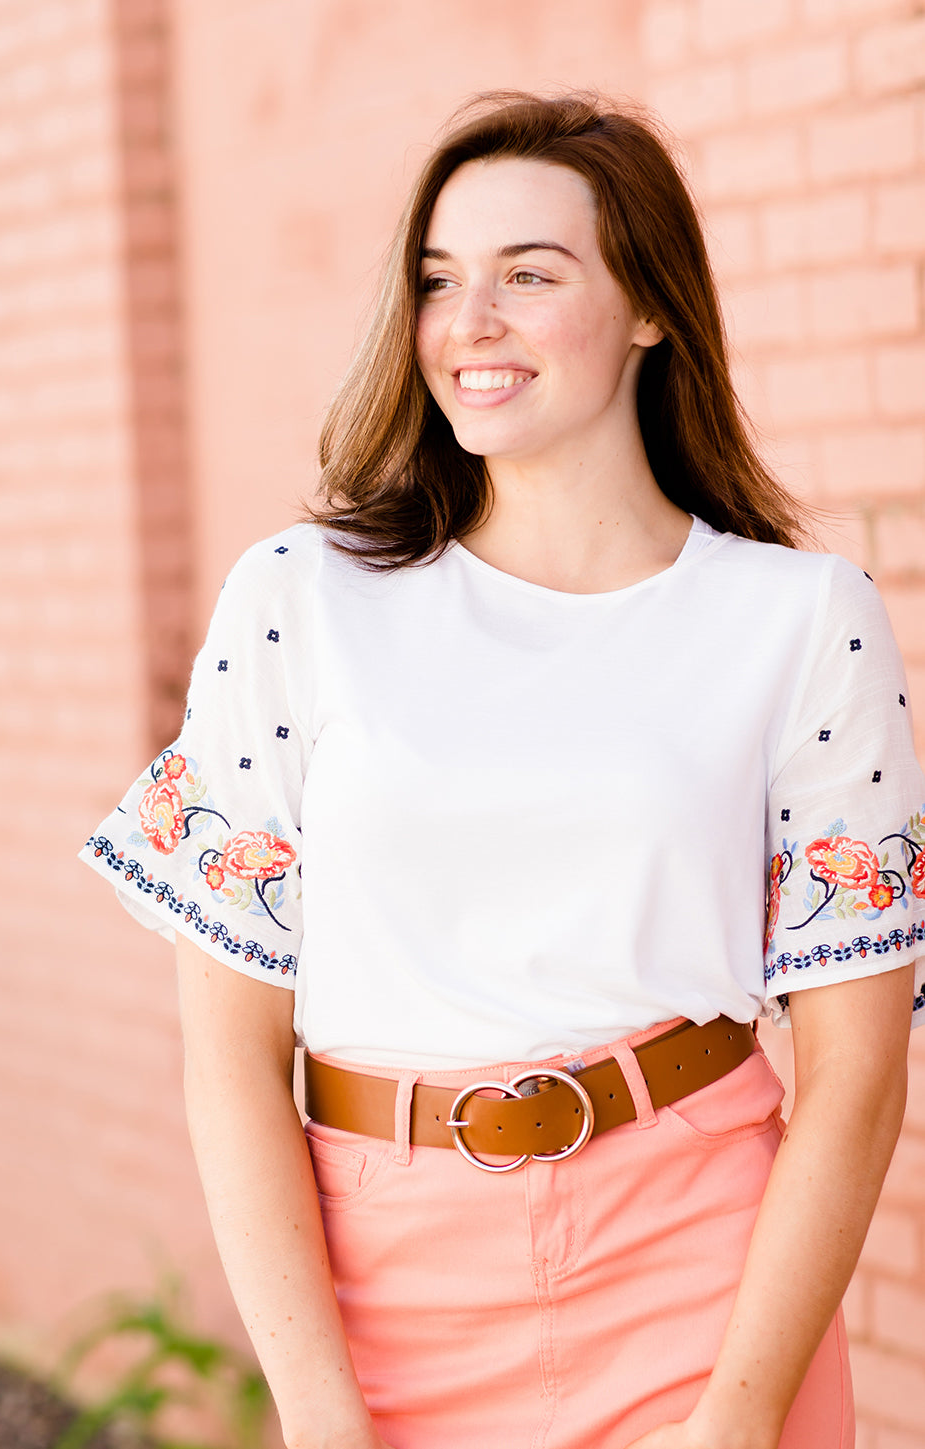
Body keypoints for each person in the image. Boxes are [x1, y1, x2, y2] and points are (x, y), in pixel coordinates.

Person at [81, 91, 925, 1449]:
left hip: (700, 1272)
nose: (469, 320)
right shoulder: (300, 601)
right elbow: (229, 1056)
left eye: (530, 274)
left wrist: (738, 1415)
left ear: (652, 306)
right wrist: (317, 1411)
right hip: (382, 1292)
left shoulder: (804, 618)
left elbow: (858, 1073)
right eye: (437, 279)